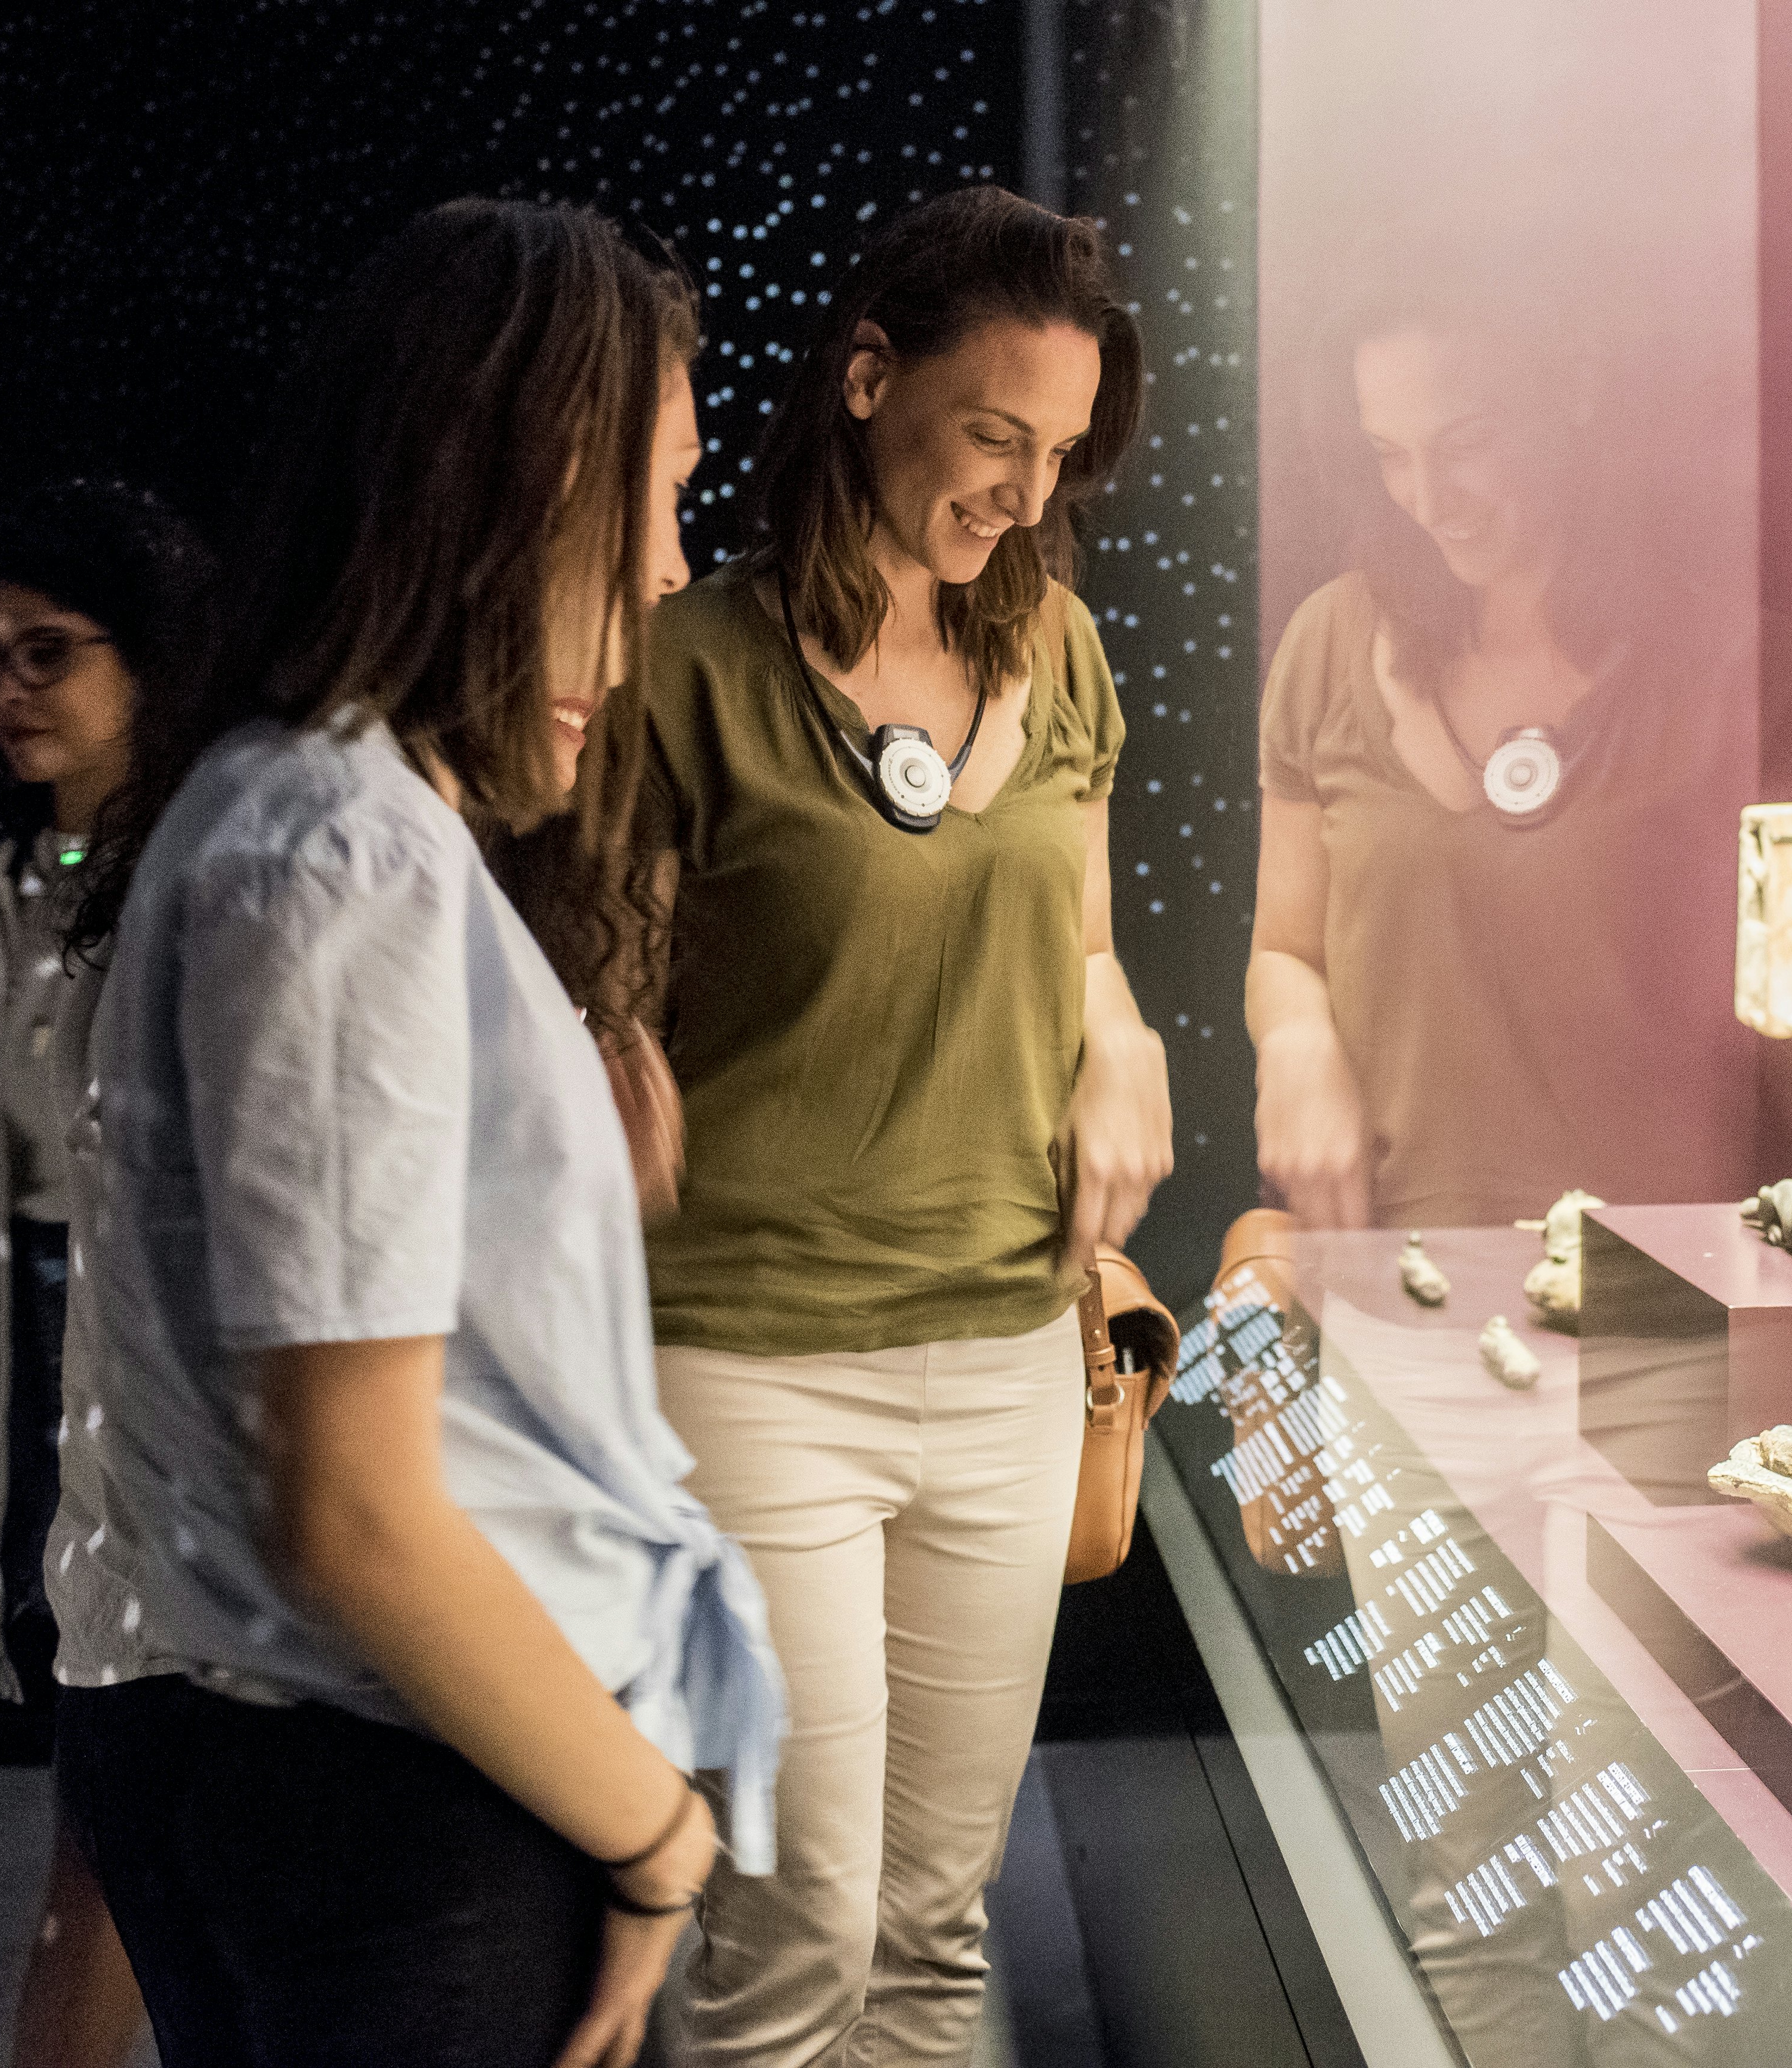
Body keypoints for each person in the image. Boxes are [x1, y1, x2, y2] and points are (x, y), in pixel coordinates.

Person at [47, 197, 781, 2068]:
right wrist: (654, 1825)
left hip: (326, 1777)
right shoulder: (345, 845)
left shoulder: (285, 807)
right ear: (515, 485)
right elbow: (355, 1506)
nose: (663, 584)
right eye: (657, 501)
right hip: (412, 1797)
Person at [629, 184, 1170, 2067]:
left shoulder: (1066, 652)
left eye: (1063, 454)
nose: (1026, 492)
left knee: (937, 1936)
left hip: (1013, 1348)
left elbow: (1085, 945)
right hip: (755, 1357)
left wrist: (1124, 1032)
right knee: (791, 1948)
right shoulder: (685, 667)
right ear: (869, 377)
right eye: (994, 435)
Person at [0, 477, 211, 2068]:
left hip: (191, 1390)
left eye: (49, 652)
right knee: (101, 1813)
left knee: (120, 1828)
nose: (10, 688)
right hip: (46, 1378)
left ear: (146, 662)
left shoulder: (215, 867)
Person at [1246, 272, 1747, 1231]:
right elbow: (1283, 949)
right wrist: (1295, 1044)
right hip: (1396, 1289)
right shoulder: (1329, 641)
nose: (1429, 499)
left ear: (1572, 390)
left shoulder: (1721, 668)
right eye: (1390, 456)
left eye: (1466, 445)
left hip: (1663, 1308)